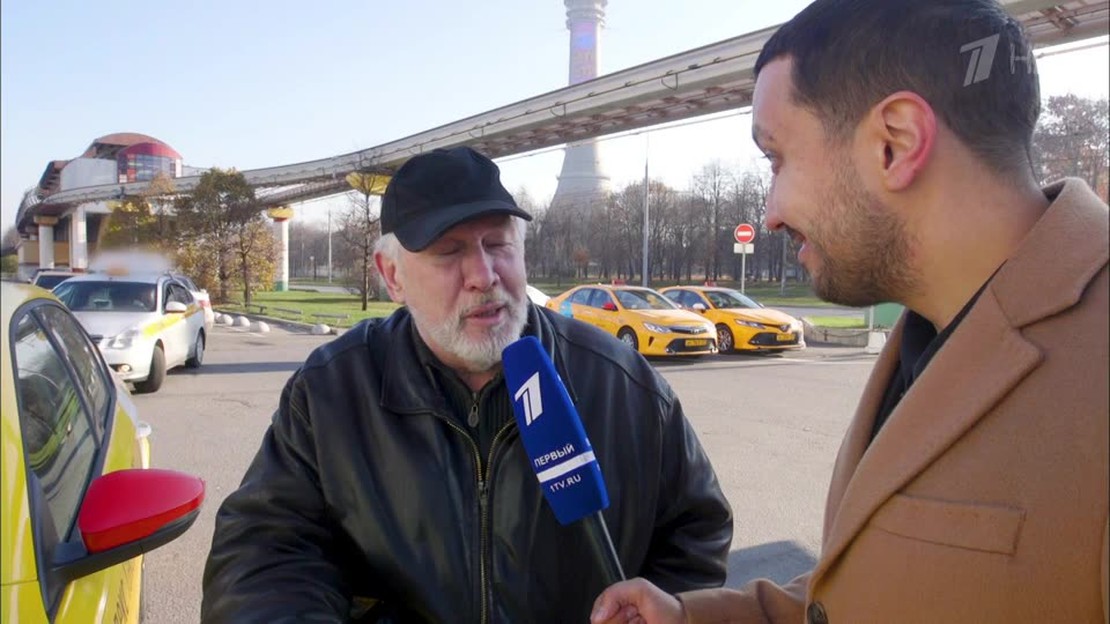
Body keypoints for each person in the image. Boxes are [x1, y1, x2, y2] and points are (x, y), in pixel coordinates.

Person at [592, 0, 1109, 622]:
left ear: (895, 143)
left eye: (777, 159)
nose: (770, 214)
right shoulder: (932, 331)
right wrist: (687, 618)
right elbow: (861, 593)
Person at [201, 146, 734, 623]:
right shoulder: (331, 392)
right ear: (392, 275)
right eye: (449, 251)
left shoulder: (624, 386)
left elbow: (695, 535)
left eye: (497, 243)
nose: (483, 275)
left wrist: (667, 612)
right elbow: (264, 555)